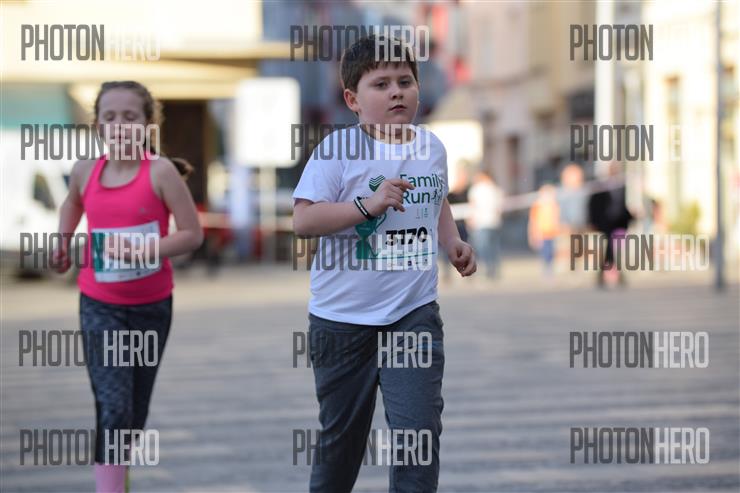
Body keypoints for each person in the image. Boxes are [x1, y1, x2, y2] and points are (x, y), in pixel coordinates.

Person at [292, 35, 476, 492]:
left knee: (418, 434)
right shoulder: (337, 151)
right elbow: (304, 220)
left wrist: (453, 241)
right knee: (342, 442)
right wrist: (367, 206)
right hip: (341, 321)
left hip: (413, 315)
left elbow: (437, 198)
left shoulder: (431, 147)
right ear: (352, 99)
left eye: (405, 81)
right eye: (381, 84)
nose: (397, 92)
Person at [52, 81, 203, 493]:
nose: (120, 125)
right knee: (114, 406)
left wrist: (145, 251)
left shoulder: (161, 172)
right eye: (110, 117)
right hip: (99, 304)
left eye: (130, 117)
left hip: (152, 307)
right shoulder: (85, 171)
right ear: (98, 125)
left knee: (133, 411)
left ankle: (117, 472)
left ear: (149, 124)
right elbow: (72, 202)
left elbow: (192, 234)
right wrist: (63, 241)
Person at [587, 163, 633, 287]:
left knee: (616, 249)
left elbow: (623, 205)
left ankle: (609, 274)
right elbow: (594, 205)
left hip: (619, 223)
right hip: (605, 224)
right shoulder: (600, 187)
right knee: (610, 248)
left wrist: (630, 217)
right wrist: (593, 222)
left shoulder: (621, 186)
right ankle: (610, 274)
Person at [467, 169, 504, 279]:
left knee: (485, 247)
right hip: (490, 222)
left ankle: (490, 268)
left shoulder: (479, 189)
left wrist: (471, 219)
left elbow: (472, 205)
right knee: (490, 247)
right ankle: (491, 268)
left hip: (484, 222)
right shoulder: (495, 189)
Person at [528, 184, 560, 275]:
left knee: (551, 251)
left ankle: (549, 266)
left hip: (552, 232)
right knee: (545, 251)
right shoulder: (538, 205)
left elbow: (556, 218)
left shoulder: (553, 205)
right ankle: (546, 267)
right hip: (541, 233)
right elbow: (533, 221)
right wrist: (533, 233)